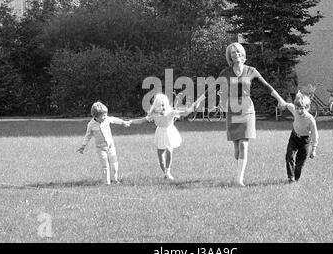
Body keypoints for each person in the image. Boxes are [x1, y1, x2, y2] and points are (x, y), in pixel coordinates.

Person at [195, 42, 282, 186]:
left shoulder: (251, 71)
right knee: (236, 146)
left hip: (247, 109)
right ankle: (238, 173)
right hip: (232, 109)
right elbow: (212, 88)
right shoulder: (226, 72)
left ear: (243, 54)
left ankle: (239, 179)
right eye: (233, 53)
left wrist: (280, 99)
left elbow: (267, 87)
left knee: (244, 145)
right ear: (230, 56)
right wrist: (198, 101)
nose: (236, 54)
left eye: (238, 52)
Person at [130, 93, 202, 180]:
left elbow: (186, 113)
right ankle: (165, 173)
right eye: (160, 105)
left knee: (169, 149)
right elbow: (142, 120)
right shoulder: (154, 114)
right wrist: (131, 121)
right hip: (160, 132)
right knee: (160, 154)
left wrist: (194, 107)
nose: (162, 107)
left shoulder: (171, 112)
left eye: (164, 105)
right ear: (156, 106)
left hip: (169, 131)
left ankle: (168, 171)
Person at [77, 101, 131, 185]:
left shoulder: (107, 119)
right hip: (100, 148)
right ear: (96, 116)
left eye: (106, 114)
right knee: (105, 165)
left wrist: (123, 122)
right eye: (103, 115)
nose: (105, 116)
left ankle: (115, 179)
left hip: (110, 146)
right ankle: (107, 183)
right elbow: (87, 136)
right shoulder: (91, 125)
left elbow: (114, 119)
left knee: (114, 163)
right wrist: (83, 146)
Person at [273, 90, 319, 183]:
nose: (299, 111)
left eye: (302, 108)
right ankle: (291, 178)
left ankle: (296, 177)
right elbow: (287, 104)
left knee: (300, 163)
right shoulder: (295, 110)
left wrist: (313, 149)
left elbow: (315, 134)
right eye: (297, 108)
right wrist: (281, 104)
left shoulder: (310, 120)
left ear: (307, 107)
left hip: (305, 141)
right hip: (294, 137)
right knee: (289, 156)